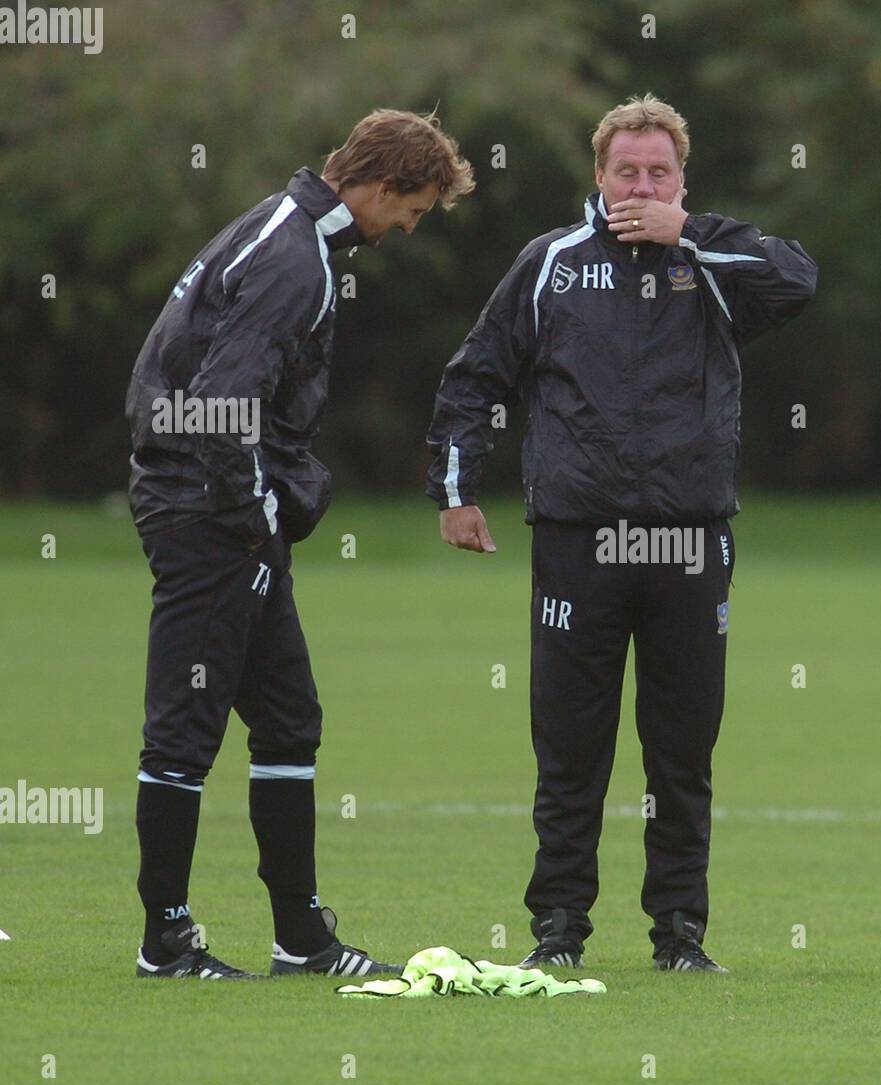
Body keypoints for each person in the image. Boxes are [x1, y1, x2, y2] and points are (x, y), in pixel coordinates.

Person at [426, 94, 816, 972]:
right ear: (598, 176)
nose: (642, 185)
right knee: (569, 750)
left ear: (682, 180)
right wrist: (456, 490)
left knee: (682, 753)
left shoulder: (713, 257)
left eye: (660, 173)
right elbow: (474, 376)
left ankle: (680, 937)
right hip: (579, 540)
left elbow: (797, 278)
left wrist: (690, 233)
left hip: (690, 540)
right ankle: (558, 935)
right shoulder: (552, 263)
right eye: (627, 171)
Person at [126, 109, 475, 979]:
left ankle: (301, 939)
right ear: (383, 185)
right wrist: (253, 516)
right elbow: (219, 403)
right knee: (183, 730)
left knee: (289, 720)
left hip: (223, 513)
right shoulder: (294, 259)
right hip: (207, 514)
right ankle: (164, 941)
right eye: (416, 209)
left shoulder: (279, 228)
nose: (408, 229)